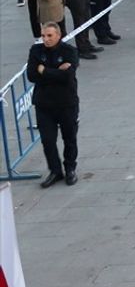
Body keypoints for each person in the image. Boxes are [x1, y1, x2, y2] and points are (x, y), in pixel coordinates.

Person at [26, 23, 80, 188]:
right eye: (43, 36)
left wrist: (45, 71)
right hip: (44, 104)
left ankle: (70, 168)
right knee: (48, 140)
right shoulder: (36, 51)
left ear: (58, 35)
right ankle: (55, 170)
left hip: (66, 103)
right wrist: (56, 72)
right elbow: (32, 75)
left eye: (49, 35)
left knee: (69, 137)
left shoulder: (69, 51)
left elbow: (67, 77)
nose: (46, 39)